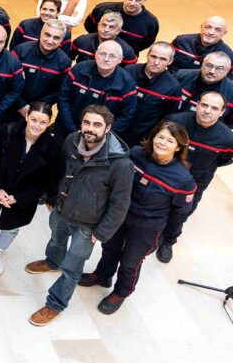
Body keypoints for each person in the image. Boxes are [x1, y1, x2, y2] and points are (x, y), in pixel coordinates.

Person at [27, 105, 133, 327]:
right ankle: (52, 261)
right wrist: (51, 197)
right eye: (87, 123)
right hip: (61, 210)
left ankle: (55, 304)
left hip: (88, 226)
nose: (90, 129)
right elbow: (58, 170)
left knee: (72, 269)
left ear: (108, 128)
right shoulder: (71, 140)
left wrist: (101, 233)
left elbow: (120, 203)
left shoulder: (120, 163)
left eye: (97, 125)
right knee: (56, 240)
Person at [78, 120, 194, 314]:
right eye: (160, 137)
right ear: (153, 136)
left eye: (170, 140)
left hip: (147, 226)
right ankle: (103, 275)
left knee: (131, 262)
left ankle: (121, 293)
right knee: (110, 248)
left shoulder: (183, 180)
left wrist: (169, 239)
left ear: (179, 146)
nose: (162, 143)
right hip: (121, 214)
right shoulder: (135, 154)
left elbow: (180, 213)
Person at [0, 103, 62, 276]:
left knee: (11, 227)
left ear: (49, 124)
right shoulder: (6, 131)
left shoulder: (53, 148)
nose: (36, 125)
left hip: (22, 196)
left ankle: (0, 252)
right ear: (26, 117)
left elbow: (47, 181)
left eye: (42, 122)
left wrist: (20, 197)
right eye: (33, 119)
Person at [158, 92, 233, 262]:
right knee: (158, 206)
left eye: (214, 108)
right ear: (197, 104)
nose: (208, 111)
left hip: (196, 183)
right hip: (166, 177)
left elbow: (225, 159)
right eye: (204, 105)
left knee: (181, 214)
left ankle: (168, 242)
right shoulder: (175, 122)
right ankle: (154, 236)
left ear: (222, 112)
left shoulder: (227, 138)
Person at [57, 41, 138, 138]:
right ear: (96, 54)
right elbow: (63, 99)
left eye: (112, 56)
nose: (106, 59)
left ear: (120, 60)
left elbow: (126, 116)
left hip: (100, 138)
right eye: (103, 54)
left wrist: (102, 135)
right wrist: (72, 130)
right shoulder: (78, 70)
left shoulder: (127, 84)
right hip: (66, 129)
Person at [119, 42, 183, 146]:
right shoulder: (129, 71)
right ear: (147, 55)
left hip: (142, 139)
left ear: (170, 61)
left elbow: (169, 118)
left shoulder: (173, 87)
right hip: (117, 129)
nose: (156, 62)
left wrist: (152, 138)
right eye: (153, 56)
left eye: (163, 59)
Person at [11, 19, 71, 115]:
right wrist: (21, 105)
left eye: (56, 38)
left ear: (62, 40)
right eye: (47, 35)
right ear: (41, 33)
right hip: (11, 105)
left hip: (40, 111)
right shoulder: (21, 51)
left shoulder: (65, 62)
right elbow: (9, 80)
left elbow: (59, 90)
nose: (50, 41)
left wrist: (36, 107)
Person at [84, 0, 159, 54]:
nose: (132, 3)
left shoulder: (151, 23)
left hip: (125, 62)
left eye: (138, 0)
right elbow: (89, 26)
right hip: (95, 53)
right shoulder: (102, 9)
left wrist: (128, 51)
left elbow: (146, 43)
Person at [175, 52, 233, 126]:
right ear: (202, 65)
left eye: (219, 68)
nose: (212, 71)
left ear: (226, 71)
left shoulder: (231, 93)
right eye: (209, 65)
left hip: (207, 133)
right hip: (174, 126)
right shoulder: (181, 76)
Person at [71, 12, 137, 66]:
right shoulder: (82, 41)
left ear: (118, 30)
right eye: (104, 25)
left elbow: (129, 73)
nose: (106, 29)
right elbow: (68, 58)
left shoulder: (126, 51)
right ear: (98, 25)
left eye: (111, 27)